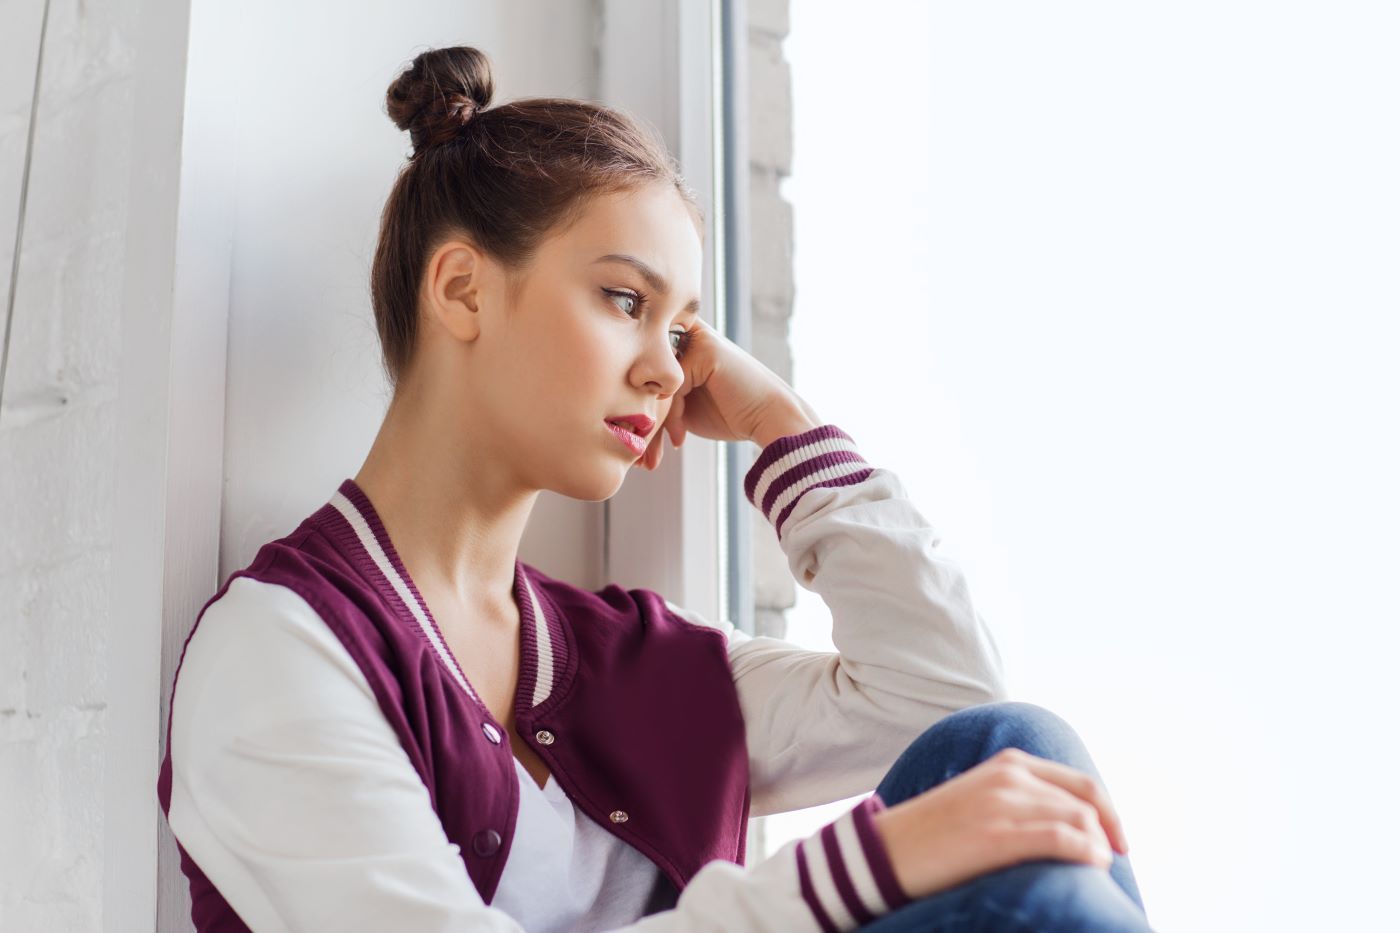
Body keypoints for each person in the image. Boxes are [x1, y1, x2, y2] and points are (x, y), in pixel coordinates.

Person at [155, 45, 1154, 932]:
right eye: (625, 301)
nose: (667, 370)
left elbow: (945, 693)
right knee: (1042, 896)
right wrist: (849, 876)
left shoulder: (629, 660)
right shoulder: (280, 649)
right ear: (461, 289)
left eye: (681, 335)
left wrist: (778, 425)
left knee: (1012, 743)